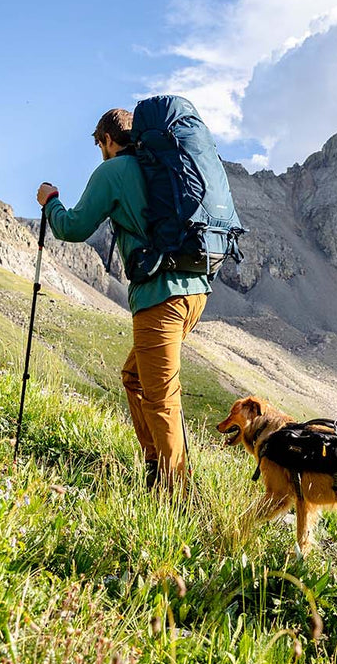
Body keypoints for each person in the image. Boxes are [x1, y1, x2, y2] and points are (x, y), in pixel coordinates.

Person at [36, 108, 210, 491]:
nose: (101, 151)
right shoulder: (163, 166)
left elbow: (73, 226)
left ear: (107, 140)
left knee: (161, 398)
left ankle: (175, 497)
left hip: (160, 296)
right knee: (136, 377)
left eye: (100, 145)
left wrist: (50, 202)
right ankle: (156, 466)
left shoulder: (112, 171)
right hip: (194, 290)